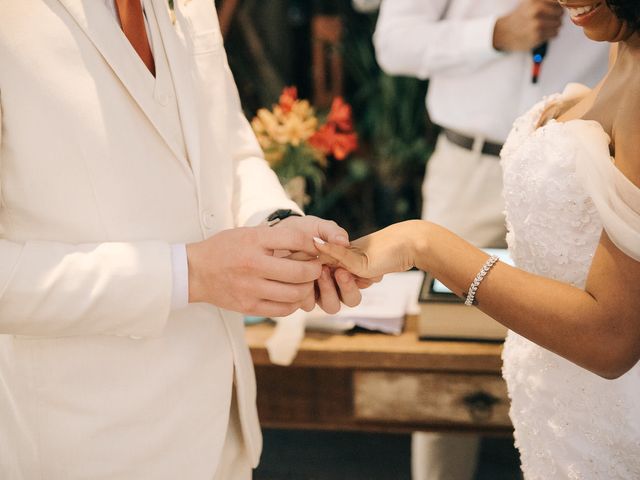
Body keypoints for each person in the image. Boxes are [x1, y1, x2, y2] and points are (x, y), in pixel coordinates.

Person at [0, 1, 368, 478]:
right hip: (85, 447)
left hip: (223, 434)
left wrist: (275, 224)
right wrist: (187, 274)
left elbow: (229, 143)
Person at [318, 1, 640, 478]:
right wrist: (493, 33)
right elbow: (394, 42)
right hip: (468, 160)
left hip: (605, 419)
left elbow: (612, 338)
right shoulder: (620, 49)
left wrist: (424, 243)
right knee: (436, 357)